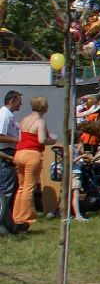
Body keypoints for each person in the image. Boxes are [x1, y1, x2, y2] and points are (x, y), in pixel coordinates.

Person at [11, 97, 54, 231]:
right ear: (44, 107)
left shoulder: (24, 119)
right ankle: (25, 218)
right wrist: (52, 140)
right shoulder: (40, 121)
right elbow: (41, 140)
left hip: (19, 153)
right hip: (32, 154)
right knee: (29, 188)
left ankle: (16, 216)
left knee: (22, 187)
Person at [0, 91, 19, 236]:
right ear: (12, 100)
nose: (21, 104)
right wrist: (17, 140)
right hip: (5, 155)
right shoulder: (4, 115)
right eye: (19, 101)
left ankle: (9, 223)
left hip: (10, 154)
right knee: (6, 191)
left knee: (10, 190)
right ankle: (4, 226)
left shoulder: (9, 115)